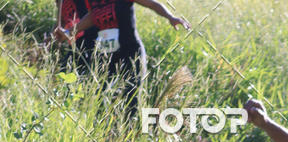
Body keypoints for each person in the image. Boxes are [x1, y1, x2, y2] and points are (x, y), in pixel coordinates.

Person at [53, 0, 189, 115]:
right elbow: (91, 17)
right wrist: (68, 32)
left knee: (131, 98)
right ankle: (105, 132)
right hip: (106, 56)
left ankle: (129, 133)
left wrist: (170, 17)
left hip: (131, 52)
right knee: (99, 97)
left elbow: (151, 4)